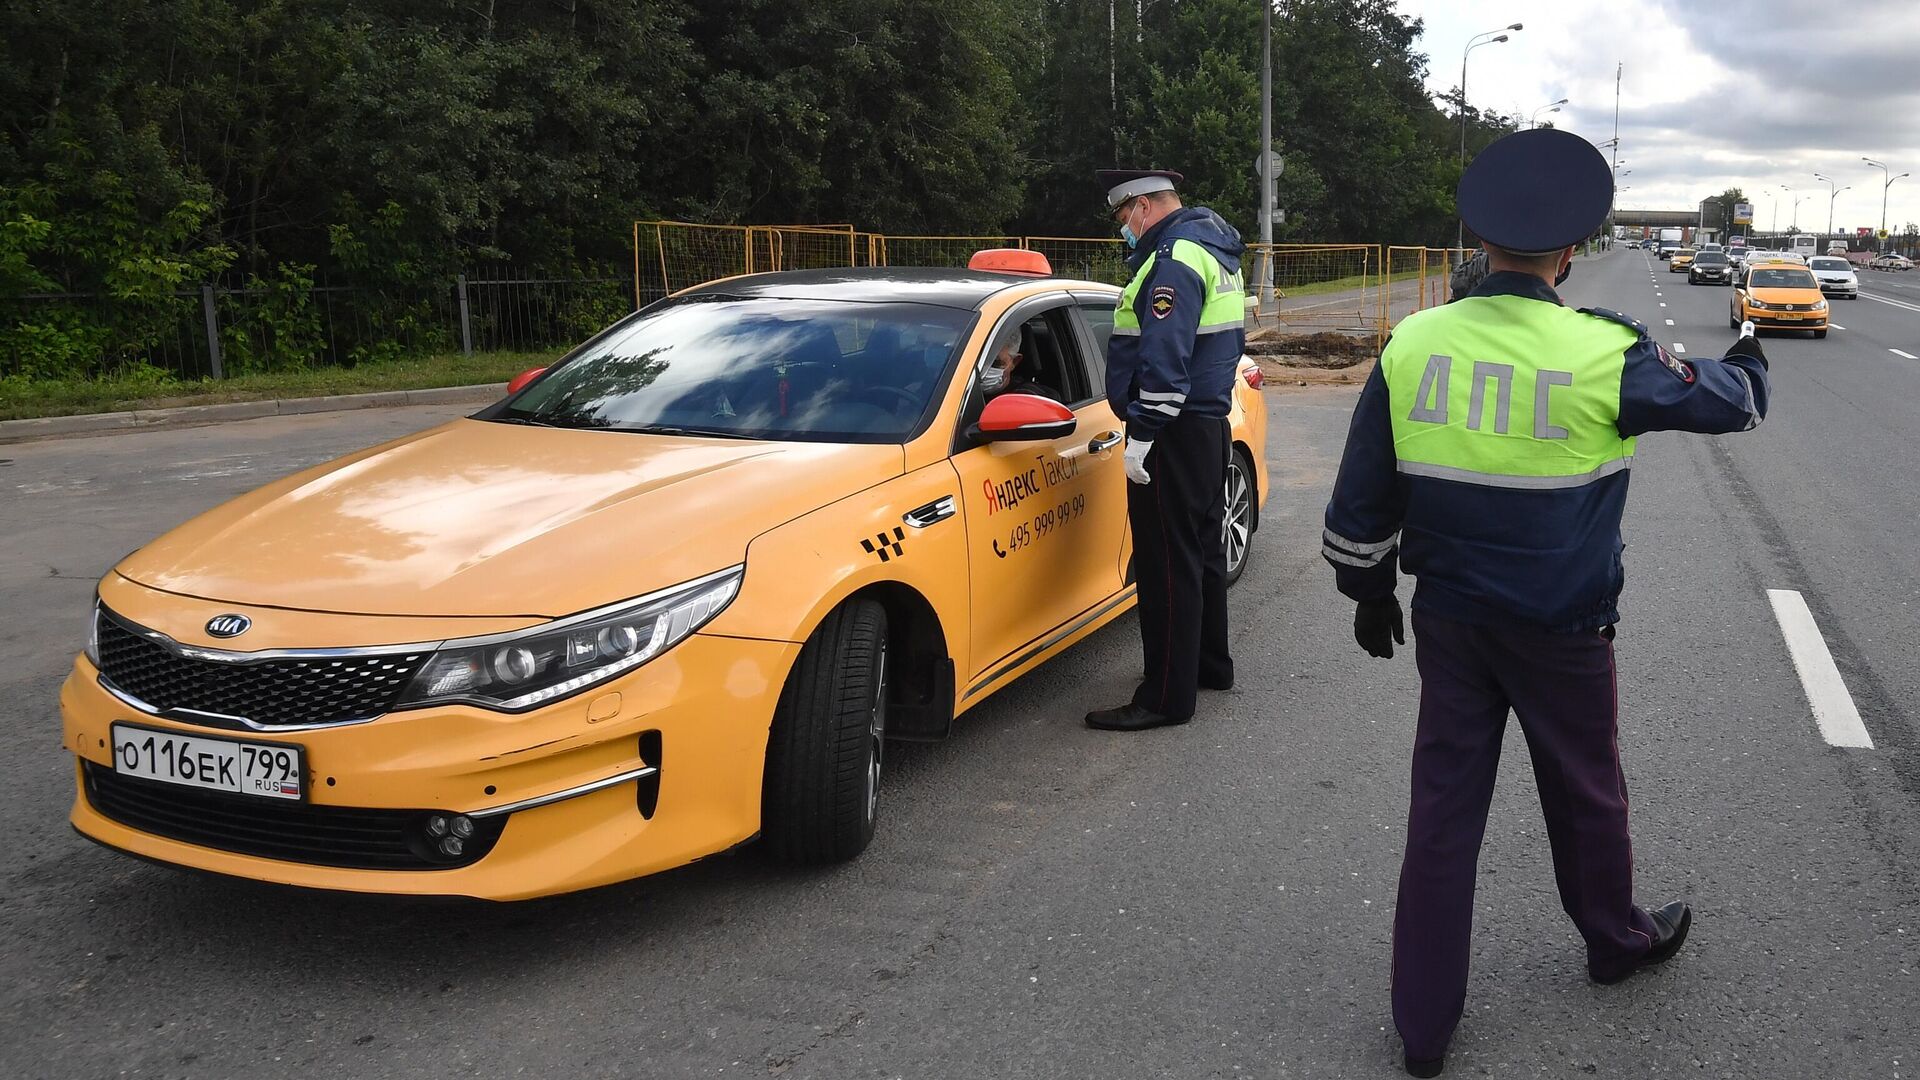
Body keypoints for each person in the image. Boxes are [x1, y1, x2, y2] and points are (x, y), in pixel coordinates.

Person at [1320, 128, 1772, 1078]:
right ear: (1570, 253)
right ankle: (1615, 941)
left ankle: (1424, 1027)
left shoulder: (1414, 343)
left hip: (1450, 623)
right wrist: (1751, 359)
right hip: (1563, 630)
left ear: (1481, 245)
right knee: (1586, 793)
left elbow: (1362, 498)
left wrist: (1368, 590)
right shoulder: (1602, 351)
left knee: (1441, 817)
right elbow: (1726, 405)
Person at [1083, 168, 1246, 732]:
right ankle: (1209, 665)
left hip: (1171, 434)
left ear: (1145, 206)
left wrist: (1144, 435)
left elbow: (1164, 356)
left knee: (1164, 565)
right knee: (1201, 553)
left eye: (1124, 217)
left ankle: (1164, 697)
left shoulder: (1174, 258)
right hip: (1207, 425)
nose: (1124, 229)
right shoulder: (1215, 248)